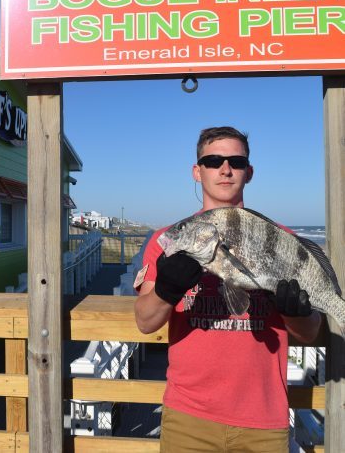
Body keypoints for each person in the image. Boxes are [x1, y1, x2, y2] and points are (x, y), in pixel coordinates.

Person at [134, 126, 322, 453]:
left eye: (235, 161)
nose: (225, 168)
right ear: (197, 171)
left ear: (249, 172)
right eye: (213, 160)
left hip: (264, 420)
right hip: (187, 417)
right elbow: (145, 322)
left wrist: (297, 311)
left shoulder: (282, 239)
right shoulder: (170, 240)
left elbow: (310, 331)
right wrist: (167, 289)